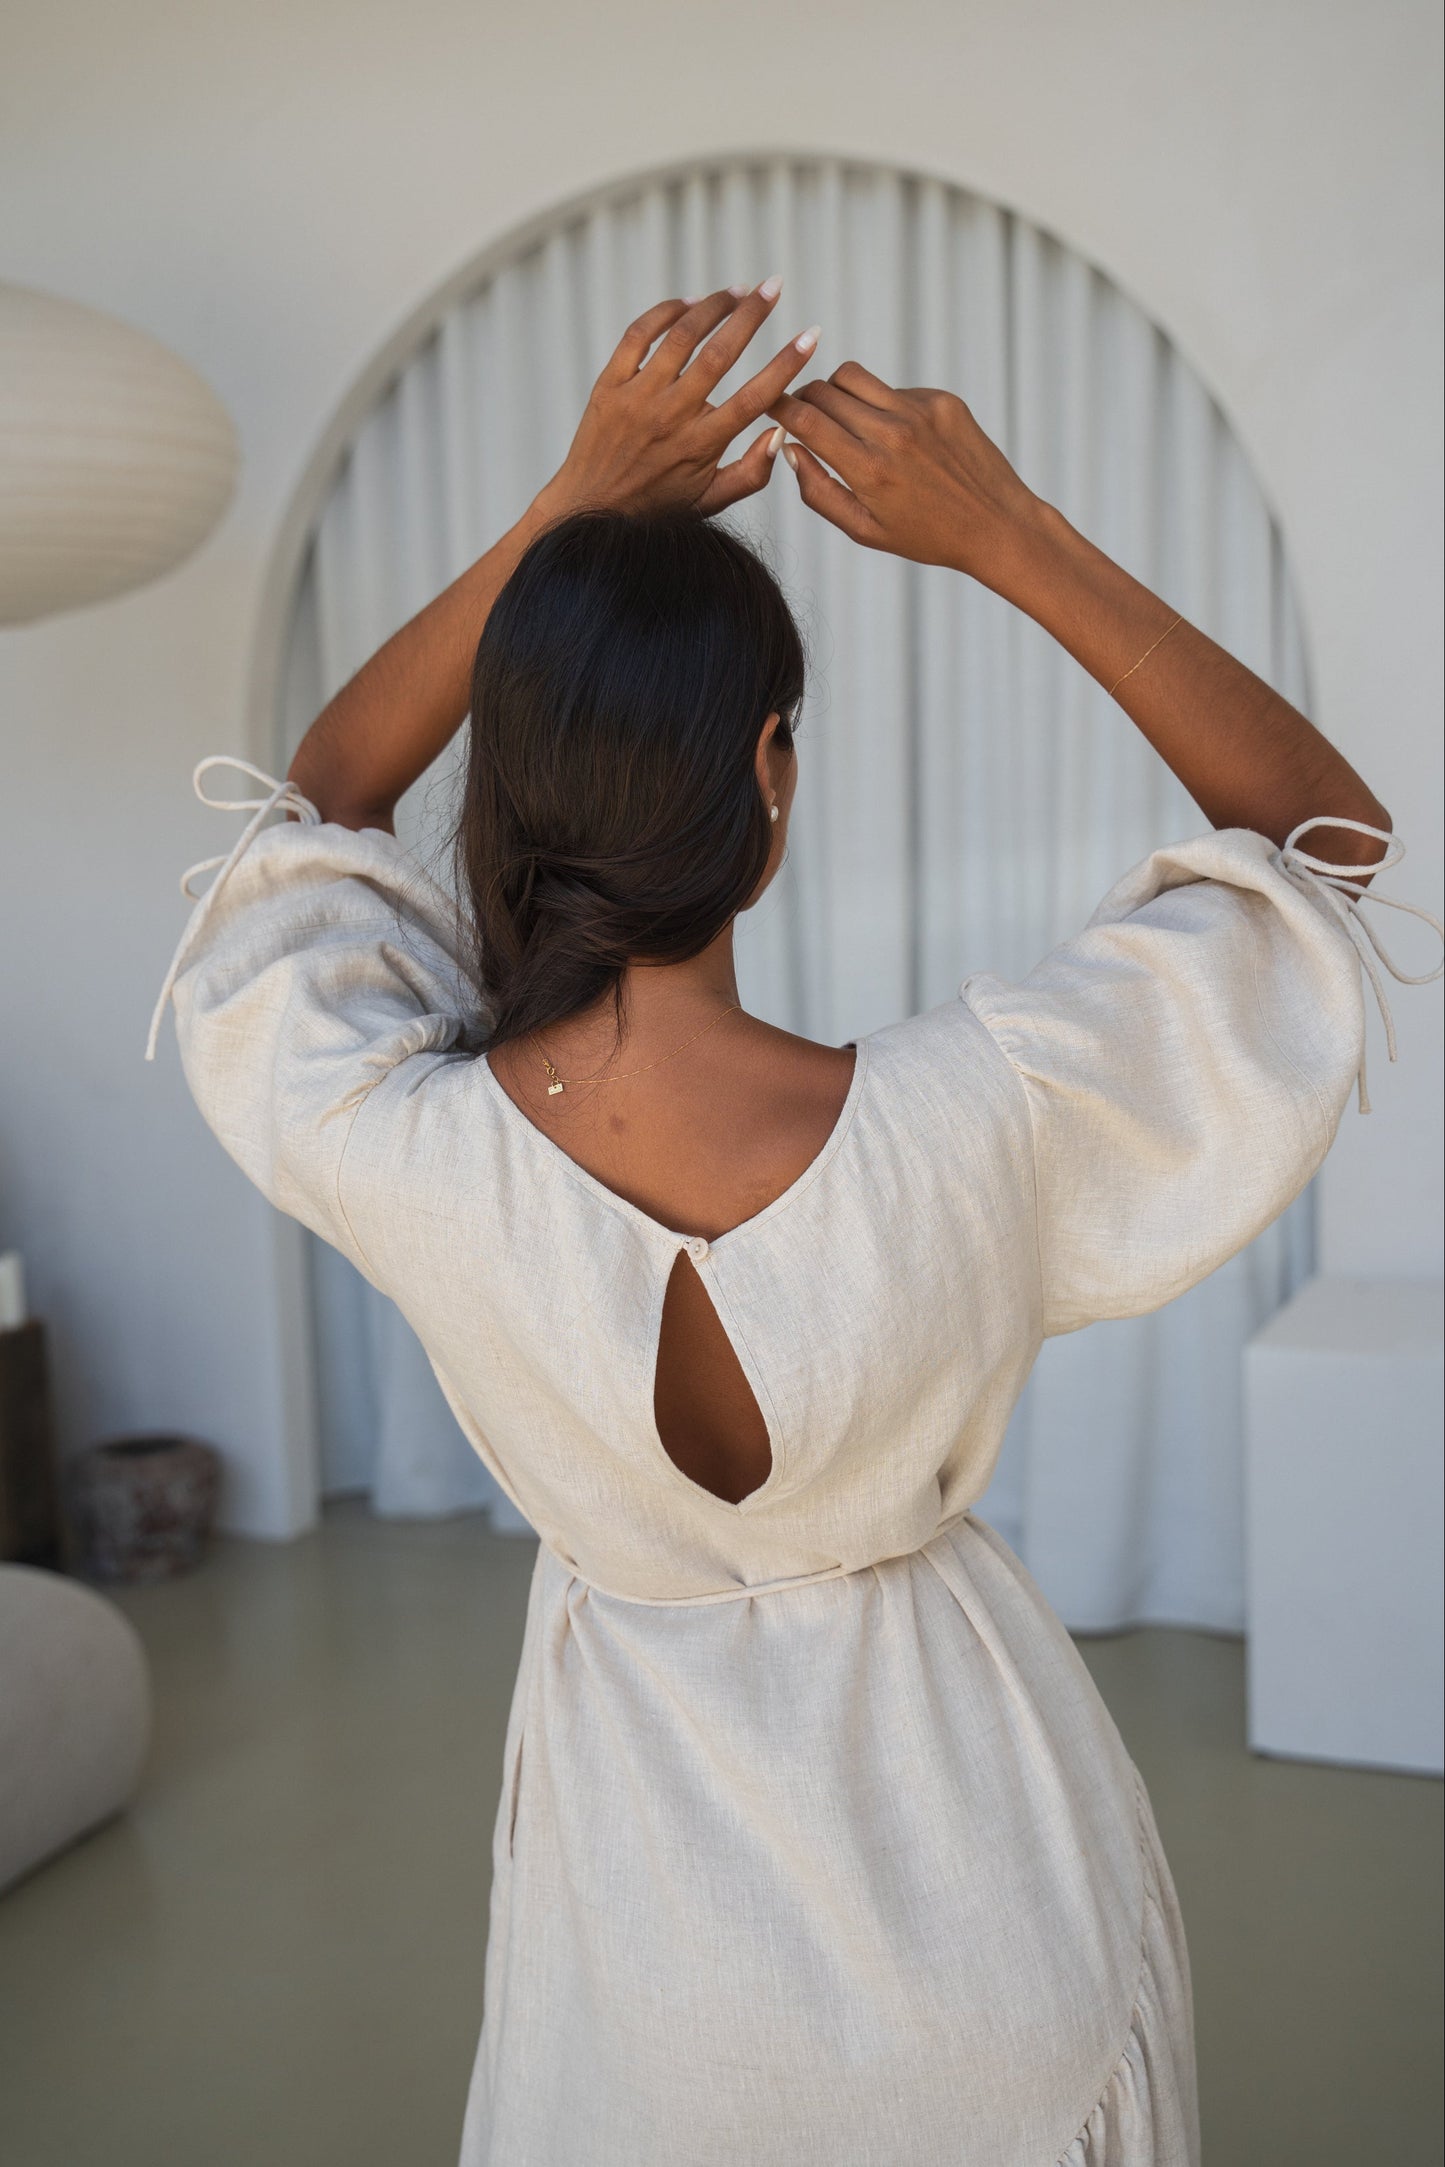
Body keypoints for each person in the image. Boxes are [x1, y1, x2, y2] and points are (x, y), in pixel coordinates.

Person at [146, 279, 1441, 2167]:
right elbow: (1324, 843)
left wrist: (563, 512)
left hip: (646, 1993)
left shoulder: (389, 1134)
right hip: (998, 1935)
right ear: (770, 772)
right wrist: (1007, 533)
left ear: (507, 795)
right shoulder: (985, 1116)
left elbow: (305, 817)